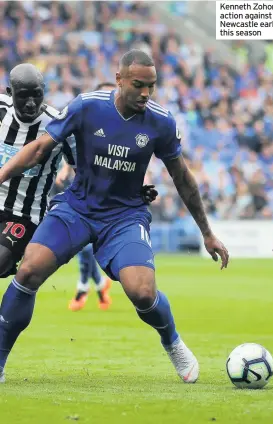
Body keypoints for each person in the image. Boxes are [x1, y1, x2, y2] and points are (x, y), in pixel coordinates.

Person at [0, 50, 229, 384]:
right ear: (120, 80)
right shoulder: (86, 106)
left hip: (124, 216)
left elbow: (183, 178)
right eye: (139, 85)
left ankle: (173, 342)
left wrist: (207, 233)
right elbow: (38, 150)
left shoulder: (161, 122)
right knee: (30, 269)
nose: (146, 93)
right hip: (76, 208)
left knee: (143, 292)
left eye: (152, 86)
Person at [55, 81, 158, 311]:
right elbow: (70, 149)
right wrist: (65, 170)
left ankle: (89, 286)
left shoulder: (131, 136)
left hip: (116, 212)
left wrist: (142, 189)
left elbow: (133, 172)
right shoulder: (87, 120)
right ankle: (95, 286)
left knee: (88, 252)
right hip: (83, 202)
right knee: (82, 250)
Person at [0, 63, 76, 280]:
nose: (31, 103)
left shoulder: (59, 125)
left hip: (23, 215)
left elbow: (85, 171)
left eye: (37, 95)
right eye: (23, 96)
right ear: (10, 93)